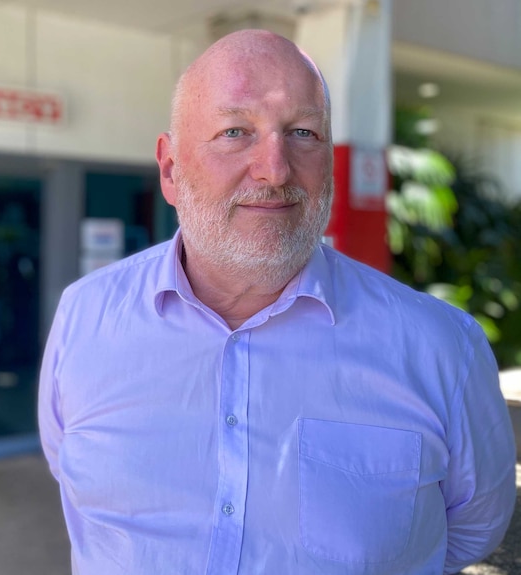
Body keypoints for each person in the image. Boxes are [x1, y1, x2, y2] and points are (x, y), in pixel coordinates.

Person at [37, 29, 516, 575]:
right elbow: (73, 483)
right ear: (171, 169)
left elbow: (472, 527)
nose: (275, 168)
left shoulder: (440, 346)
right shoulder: (86, 316)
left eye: (304, 133)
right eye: (235, 131)